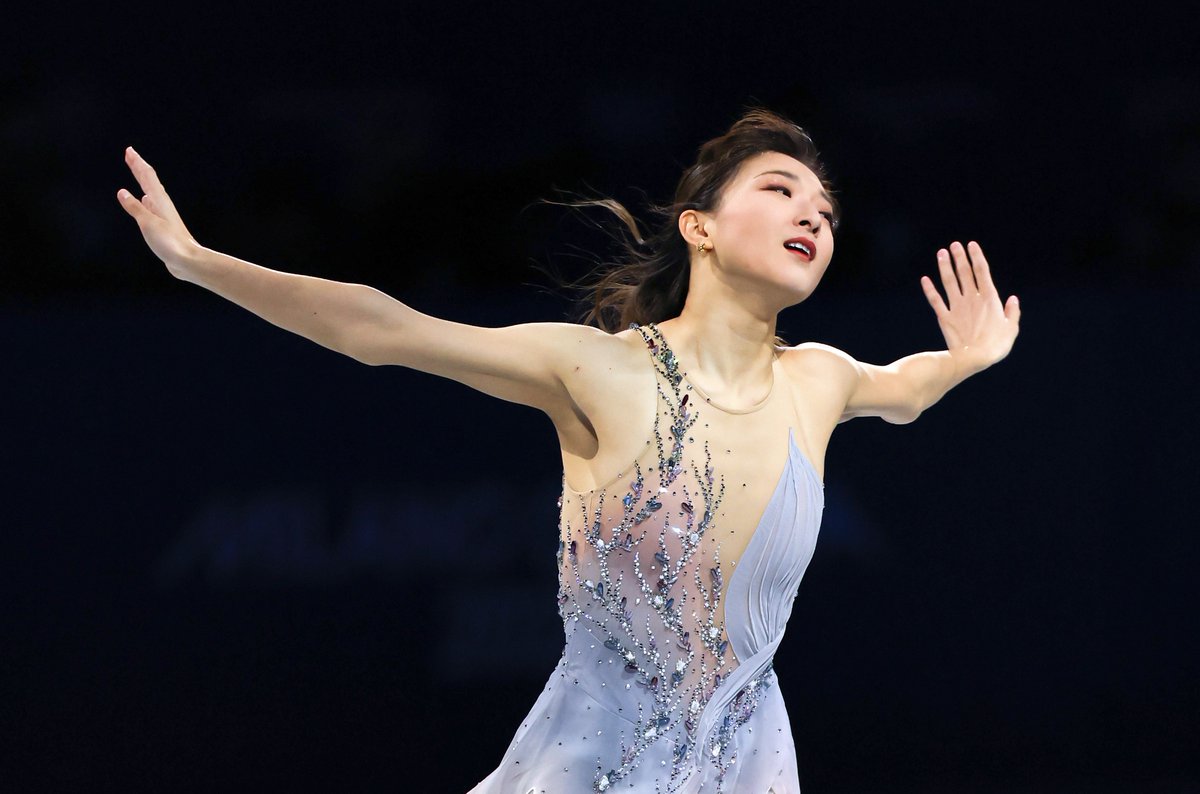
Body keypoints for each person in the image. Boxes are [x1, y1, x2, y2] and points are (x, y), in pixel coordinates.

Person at [117, 108, 1020, 793]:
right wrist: (201, 262)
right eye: (780, 190)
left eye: (824, 209)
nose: (813, 216)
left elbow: (903, 391)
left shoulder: (818, 378)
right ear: (699, 226)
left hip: (746, 763)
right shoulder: (597, 369)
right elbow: (384, 329)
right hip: (591, 762)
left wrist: (966, 358)